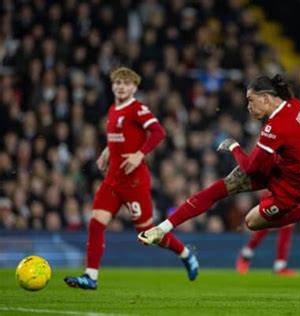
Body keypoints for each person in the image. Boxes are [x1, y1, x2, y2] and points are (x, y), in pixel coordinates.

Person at [138, 74, 300, 246]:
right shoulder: (296, 105)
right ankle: (161, 229)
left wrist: (233, 146)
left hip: (295, 186)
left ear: (266, 98)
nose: (249, 107)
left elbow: (250, 168)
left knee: (252, 222)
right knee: (216, 189)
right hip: (282, 166)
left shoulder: (277, 126)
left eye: (251, 100)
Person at [64, 67, 199, 290]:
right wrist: (107, 152)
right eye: (117, 82)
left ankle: (185, 254)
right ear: (112, 86)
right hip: (112, 181)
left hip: (135, 183)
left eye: (126, 83)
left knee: (147, 234)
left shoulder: (138, 109)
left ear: (134, 87)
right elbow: (119, 138)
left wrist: (139, 154)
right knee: (96, 224)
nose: (121, 86)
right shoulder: (112, 109)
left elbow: (158, 132)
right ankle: (91, 276)